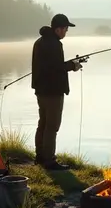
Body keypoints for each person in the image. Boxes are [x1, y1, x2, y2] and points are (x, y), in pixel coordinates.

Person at [31, 13, 84, 170]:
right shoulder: (54, 44)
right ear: (59, 29)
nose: (66, 32)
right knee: (52, 126)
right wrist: (73, 66)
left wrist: (69, 64)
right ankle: (49, 161)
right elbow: (56, 68)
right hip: (52, 91)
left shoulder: (40, 42)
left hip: (41, 90)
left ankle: (40, 156)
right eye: (66, 29)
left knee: (43, 123)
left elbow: (50, 65)